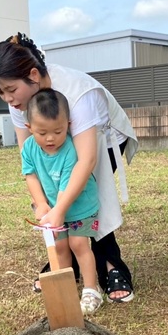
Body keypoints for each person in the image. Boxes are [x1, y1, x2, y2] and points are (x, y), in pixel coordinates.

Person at [0, 32, 138, 303]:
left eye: (10, 90)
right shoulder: (19, 102)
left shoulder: (77, 93)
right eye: (0, 93)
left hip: (103, 139)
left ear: (33, 75)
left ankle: (111, 265)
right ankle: (65, 263)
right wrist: (42, 204)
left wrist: (60, 210)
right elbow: (30, 157)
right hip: (62, 144)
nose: (7, 99)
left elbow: (86, 161)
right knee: (59, 199)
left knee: (88, 201)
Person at [22, 88, 102, 315]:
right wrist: (41, 204)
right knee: (59, 247)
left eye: (58, 131)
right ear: (29, 128)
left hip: (80, 206)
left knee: (78, 244)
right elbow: (30, 176)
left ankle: (91, 289)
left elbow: (66, 188)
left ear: (68, 125)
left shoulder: (70, 150)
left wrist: (56, 211)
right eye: (42, 132)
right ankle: (66, 287)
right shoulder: (28, 147)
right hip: (54, 208)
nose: (50, 138)